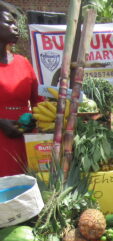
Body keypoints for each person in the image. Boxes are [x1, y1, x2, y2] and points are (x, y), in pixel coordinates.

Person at [0, 2, 43, 177]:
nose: (15, 27)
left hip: (26, 137)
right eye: (9, 23)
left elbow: (38, 99)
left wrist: (35, 118)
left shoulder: (23, 62)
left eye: (16, 24)